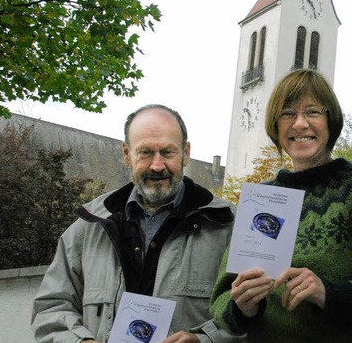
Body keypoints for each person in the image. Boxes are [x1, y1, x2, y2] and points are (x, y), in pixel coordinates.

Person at [210, 69, 352, 342]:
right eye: (287, 113)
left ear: (331, 120)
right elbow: (222, 299)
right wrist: (242, 308)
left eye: (313, 112)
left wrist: (328, 294)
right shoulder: (261, 198)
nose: (300, 124)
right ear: (275, 125)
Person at [32, 104, 237, 343]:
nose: (157, 165)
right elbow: (50, 308)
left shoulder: (229, 226)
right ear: (127, 155)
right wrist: (80, 341)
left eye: (168, 152)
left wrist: (204, 340)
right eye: (146, 152)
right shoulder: (88, 227)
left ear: (186, 153)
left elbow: (253, 317)